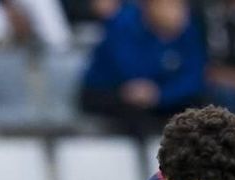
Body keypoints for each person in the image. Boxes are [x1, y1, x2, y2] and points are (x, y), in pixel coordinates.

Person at [80, 0, 209, 136]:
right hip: (111, 91)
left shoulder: (188, 30)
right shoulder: (123, 24)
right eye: (169, 5)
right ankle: (146, 154)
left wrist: (162, 94)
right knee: (135, 111)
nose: (178, 13)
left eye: (181, 6)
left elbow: (195, 76)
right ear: (149, 6)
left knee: (200, 108)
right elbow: (129, 71)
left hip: (159, 93)